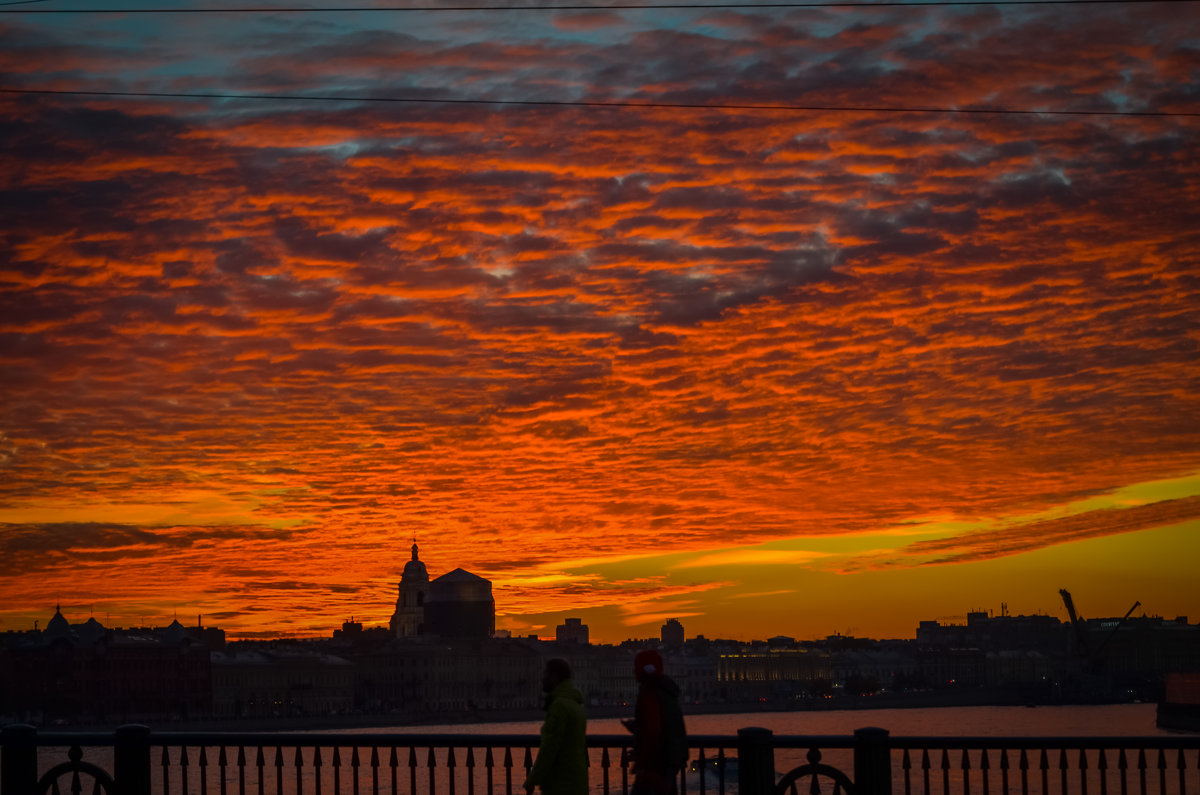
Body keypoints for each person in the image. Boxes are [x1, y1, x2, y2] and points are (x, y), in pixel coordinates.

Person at [623, 649, 688, 795]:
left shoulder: (650, 694)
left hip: (654, 767)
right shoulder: (667, 692)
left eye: (637, 668)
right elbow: (668, 727)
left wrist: (644, 762)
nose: (634, 672)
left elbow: (653, 732)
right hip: (669, 762)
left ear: (645, 670)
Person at [524, 658, 588, 795]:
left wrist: (532, 779)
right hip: (577, 781)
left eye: (545, 674)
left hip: (560, 784)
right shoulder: (575, 704)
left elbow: (549, 748)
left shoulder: (559, 706)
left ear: (554, 677)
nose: (542, 679)